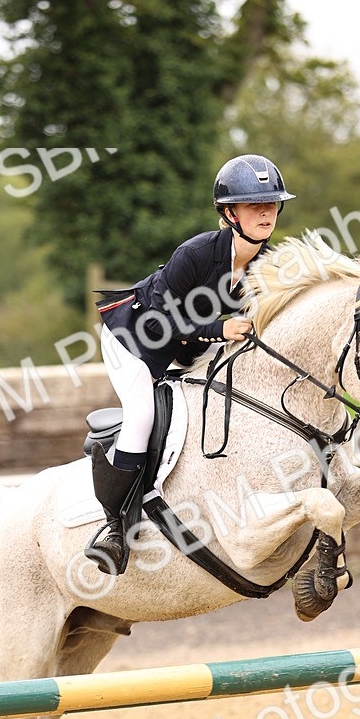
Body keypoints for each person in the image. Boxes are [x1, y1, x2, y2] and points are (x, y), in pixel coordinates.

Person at [85, 153, 296, 574]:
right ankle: (113, 528)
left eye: (271, 203)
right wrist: (220, 330)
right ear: (229, 213)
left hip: (187, 349)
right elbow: (161, 321)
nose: (266, 211)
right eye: (255, 204)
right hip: (134, 339)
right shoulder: (196, 253)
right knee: (142, 412)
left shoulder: (267, 267)